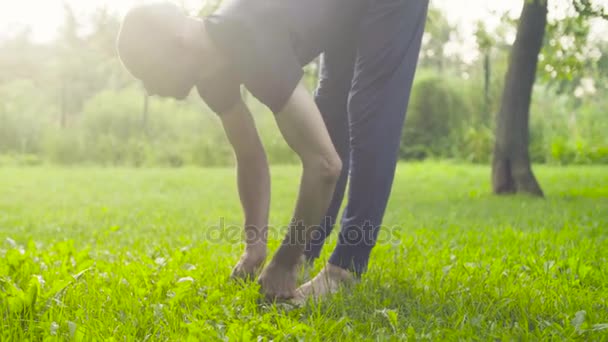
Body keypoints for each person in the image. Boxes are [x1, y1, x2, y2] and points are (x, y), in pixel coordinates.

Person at [117, 0, 429, 302]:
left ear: (175, 43)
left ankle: (344, 269)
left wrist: (283, 260)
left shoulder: (250, 39)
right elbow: (249, 156)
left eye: (146, 71)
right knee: (331, 110)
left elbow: (324, 166)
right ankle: (307, 254)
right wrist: (255, 245)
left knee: (367, 110)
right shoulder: (210, 72)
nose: (149, 88)